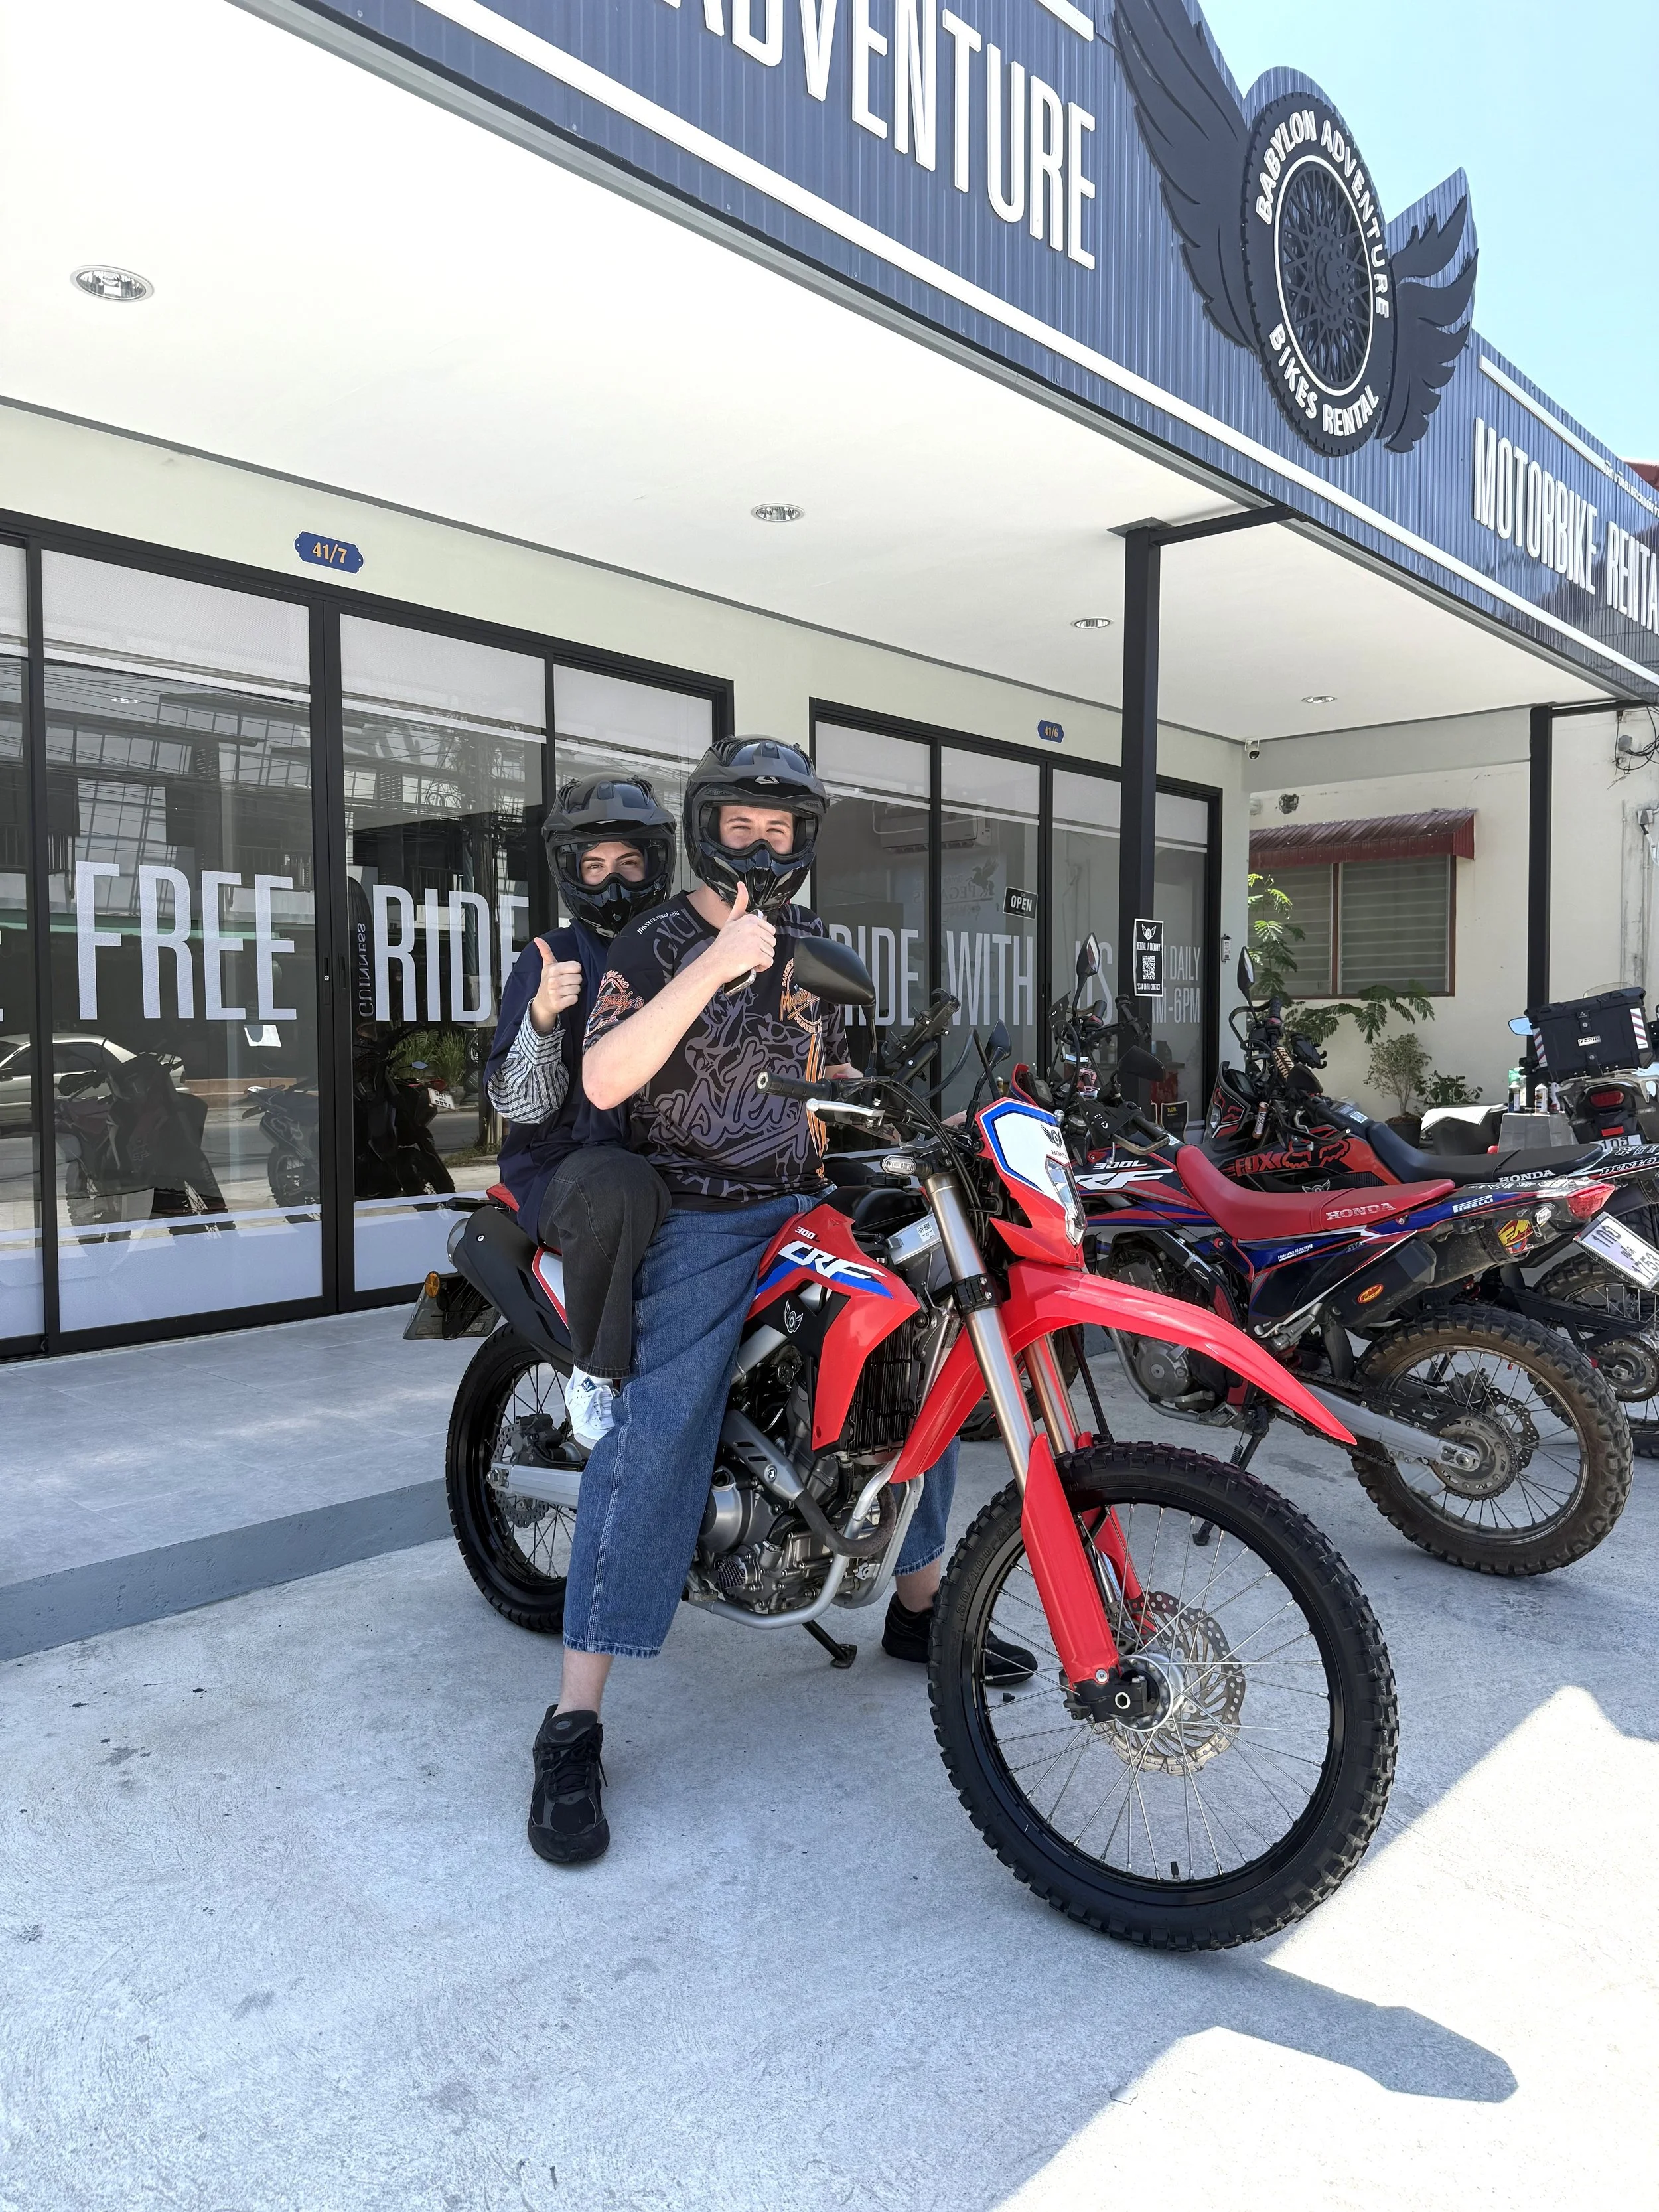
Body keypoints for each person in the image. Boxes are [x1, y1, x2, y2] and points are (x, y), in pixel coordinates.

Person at [527, 737, 1034, 1868]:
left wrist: (898, 1102)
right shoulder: (655, 939)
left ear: (806, 839)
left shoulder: (813, 946)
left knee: (920, 1356)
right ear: (707, 828)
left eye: (782, 828)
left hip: (805, 1195)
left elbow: (826, 1074)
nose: (762, 844)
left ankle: (918, 1610)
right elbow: (604, 1077)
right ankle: (573, 1719)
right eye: (741, 825)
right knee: (661, 1425)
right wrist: (716, 962)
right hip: (697, 1211)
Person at [484, 775, 677, 1444]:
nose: (613, 881)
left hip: (668, 1159)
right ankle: (596, 1373)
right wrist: (542, 1017)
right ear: (571, 872)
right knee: (616, 1184)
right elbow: (519, 1104)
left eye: (629, 862)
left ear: (656, 864)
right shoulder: (550, 958)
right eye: (594, 866)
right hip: (565, 1166)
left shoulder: (685, 955)